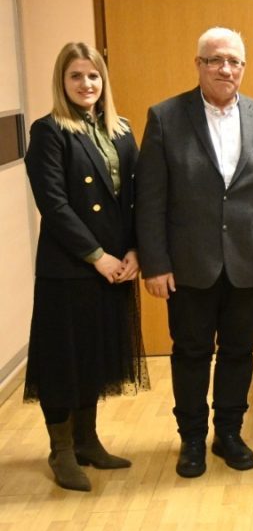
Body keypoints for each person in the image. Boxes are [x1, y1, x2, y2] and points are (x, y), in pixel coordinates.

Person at [135, 27, 253, 478]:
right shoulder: (166, 117)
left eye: (234, 61)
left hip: (250, 259)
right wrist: (155, 263)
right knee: (191, 353)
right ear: (199, 64)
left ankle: (229, 432)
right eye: (215, 60)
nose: (225, 69)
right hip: (189, 264)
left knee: (239, 352)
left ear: (243, 67)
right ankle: (191, 439)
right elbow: (150, 198)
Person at [23, 42, 149, 491]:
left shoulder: (121, 129)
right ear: (62, 81)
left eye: (93, 75)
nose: (86, 84)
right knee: (64, 361)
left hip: (116, 264)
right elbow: (54, 206)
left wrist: (135, 250)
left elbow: (136, 196)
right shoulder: (48, 131)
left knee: (95, 357)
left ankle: (87, 441)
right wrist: (97, 256)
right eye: (76, 75)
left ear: (103, 80)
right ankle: (61, 450)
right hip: (70, 267)